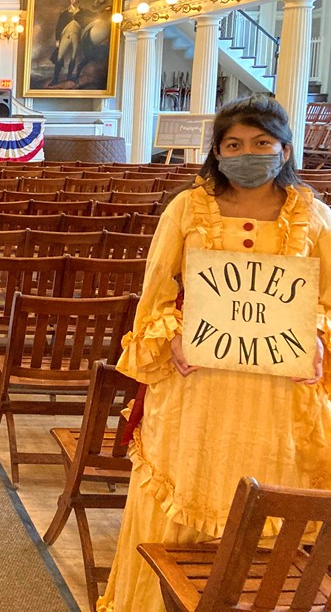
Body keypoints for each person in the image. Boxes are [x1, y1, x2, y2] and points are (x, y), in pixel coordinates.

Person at [97, 95, 331, 612]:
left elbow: (328, 302)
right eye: (234, 144)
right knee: (182, 501)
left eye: (261, 143)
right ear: (218, 153)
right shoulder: (187, 207)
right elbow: (155, 291)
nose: (248, 152)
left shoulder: (314, 217)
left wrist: (316, 334)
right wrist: (173, 335)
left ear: (285, 150)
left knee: (268, 507)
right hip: (197, 390)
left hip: (280, 402)